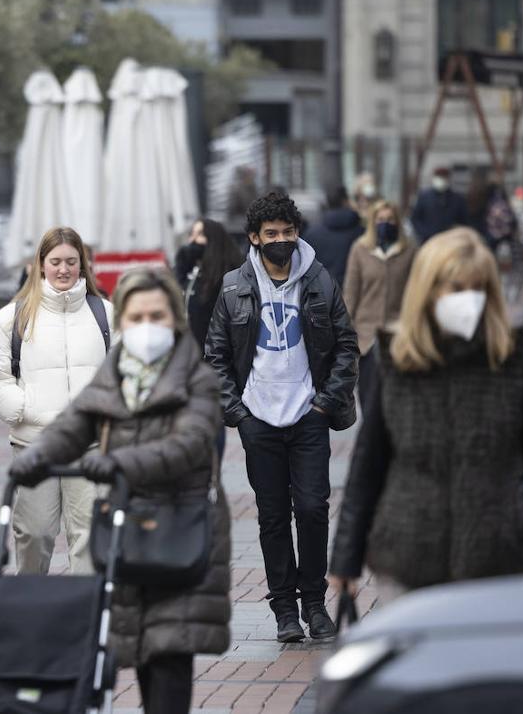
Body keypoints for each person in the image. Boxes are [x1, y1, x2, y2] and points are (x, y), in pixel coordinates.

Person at [9, 268, 229, 714]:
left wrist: (116, 463)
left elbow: (187, 446)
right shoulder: (115, 373)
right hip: (126, 532)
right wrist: (38, 456)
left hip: (178, 532)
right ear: (122, 322)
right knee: (139, 649)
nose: (147, 327)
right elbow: (76, 423)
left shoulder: (197, 378)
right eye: (136, 317)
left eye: (157, 316)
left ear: (175, 320)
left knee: (168, 656)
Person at [330, 229, 523, 601]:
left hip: (494, 562)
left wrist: (518, 511)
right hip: (407, 556)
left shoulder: (513, 360)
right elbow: (367, 464)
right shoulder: (397, 362)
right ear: (428, 290)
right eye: (455, 288)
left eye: (478, 288)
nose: (467, 299)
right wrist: (345, 558)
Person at [204, 191, 358, 643]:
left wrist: (327, 401)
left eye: (288, 232)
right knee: (272, 516)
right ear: (254, 238)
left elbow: (347, 344)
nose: (281, 240)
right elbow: (215, 355)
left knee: (312, 509)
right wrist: (237, 412)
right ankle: (285, 609)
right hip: (259, 419)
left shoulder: (320, 280)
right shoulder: (234, 287)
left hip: (309, 414)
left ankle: (314, 602)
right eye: (271, 234)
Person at [0, 227, 112, 575]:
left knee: (89, 537)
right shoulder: (13, 316)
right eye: (55, 262)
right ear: (40, 264)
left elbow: (126, 375)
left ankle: (84, 616)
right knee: (34, 534)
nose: (64, 269)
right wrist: (25, 410)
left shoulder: (106, 315)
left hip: (91, 445)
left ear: (83, 264)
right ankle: (32, 611)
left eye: (71, 261)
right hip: (34, 445)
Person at [343, 200, 416, 411]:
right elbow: (351, 294)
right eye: (381, 219)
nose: (386, 223)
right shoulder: (360, 249)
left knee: (397, 404)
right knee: (369, 401)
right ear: (373, 222)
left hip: (397, 337)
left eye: (390, 219)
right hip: (366, 340)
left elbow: (415, 293)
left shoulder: (409, 251)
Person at [174, 218, 245, 350]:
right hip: (194, 353)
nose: (193, 240)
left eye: (200, 234)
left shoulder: (229, 277)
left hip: (218, 356)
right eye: (192, 234)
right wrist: (181, 266)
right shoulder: (194, 274)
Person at [302, 186, 364, 285]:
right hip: (352, 290)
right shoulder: (361, 233)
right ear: (346, 201)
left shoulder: (311, 233)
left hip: (321, 292)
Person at [409, 167, 467, 243]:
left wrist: (455, 233)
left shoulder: (457, 199)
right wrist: (424, 233)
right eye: (439, 177)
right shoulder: (424, 196)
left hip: (450, 240)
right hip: (428, 240)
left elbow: (463, 221)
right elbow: (415, 218)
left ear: (448, 179)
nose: (441, 180)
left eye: (444, 177)